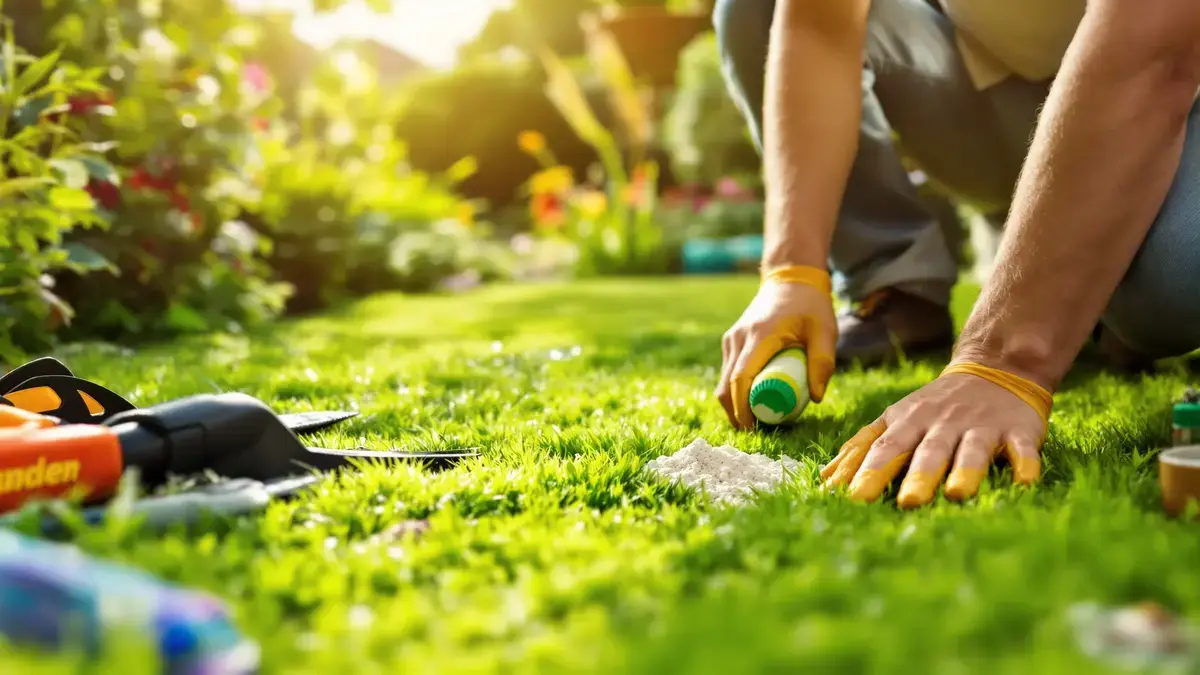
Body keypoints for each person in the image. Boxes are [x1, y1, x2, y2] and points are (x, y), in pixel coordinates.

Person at [712, 0, 1200, 507]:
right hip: (983, 93)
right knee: (756, 9)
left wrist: (1003, 362)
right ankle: (897, 289)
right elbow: (819, 20)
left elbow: (1156, 49)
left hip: (1179, 99)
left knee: (1171, 290)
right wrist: (793, 271)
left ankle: (1096, 293)